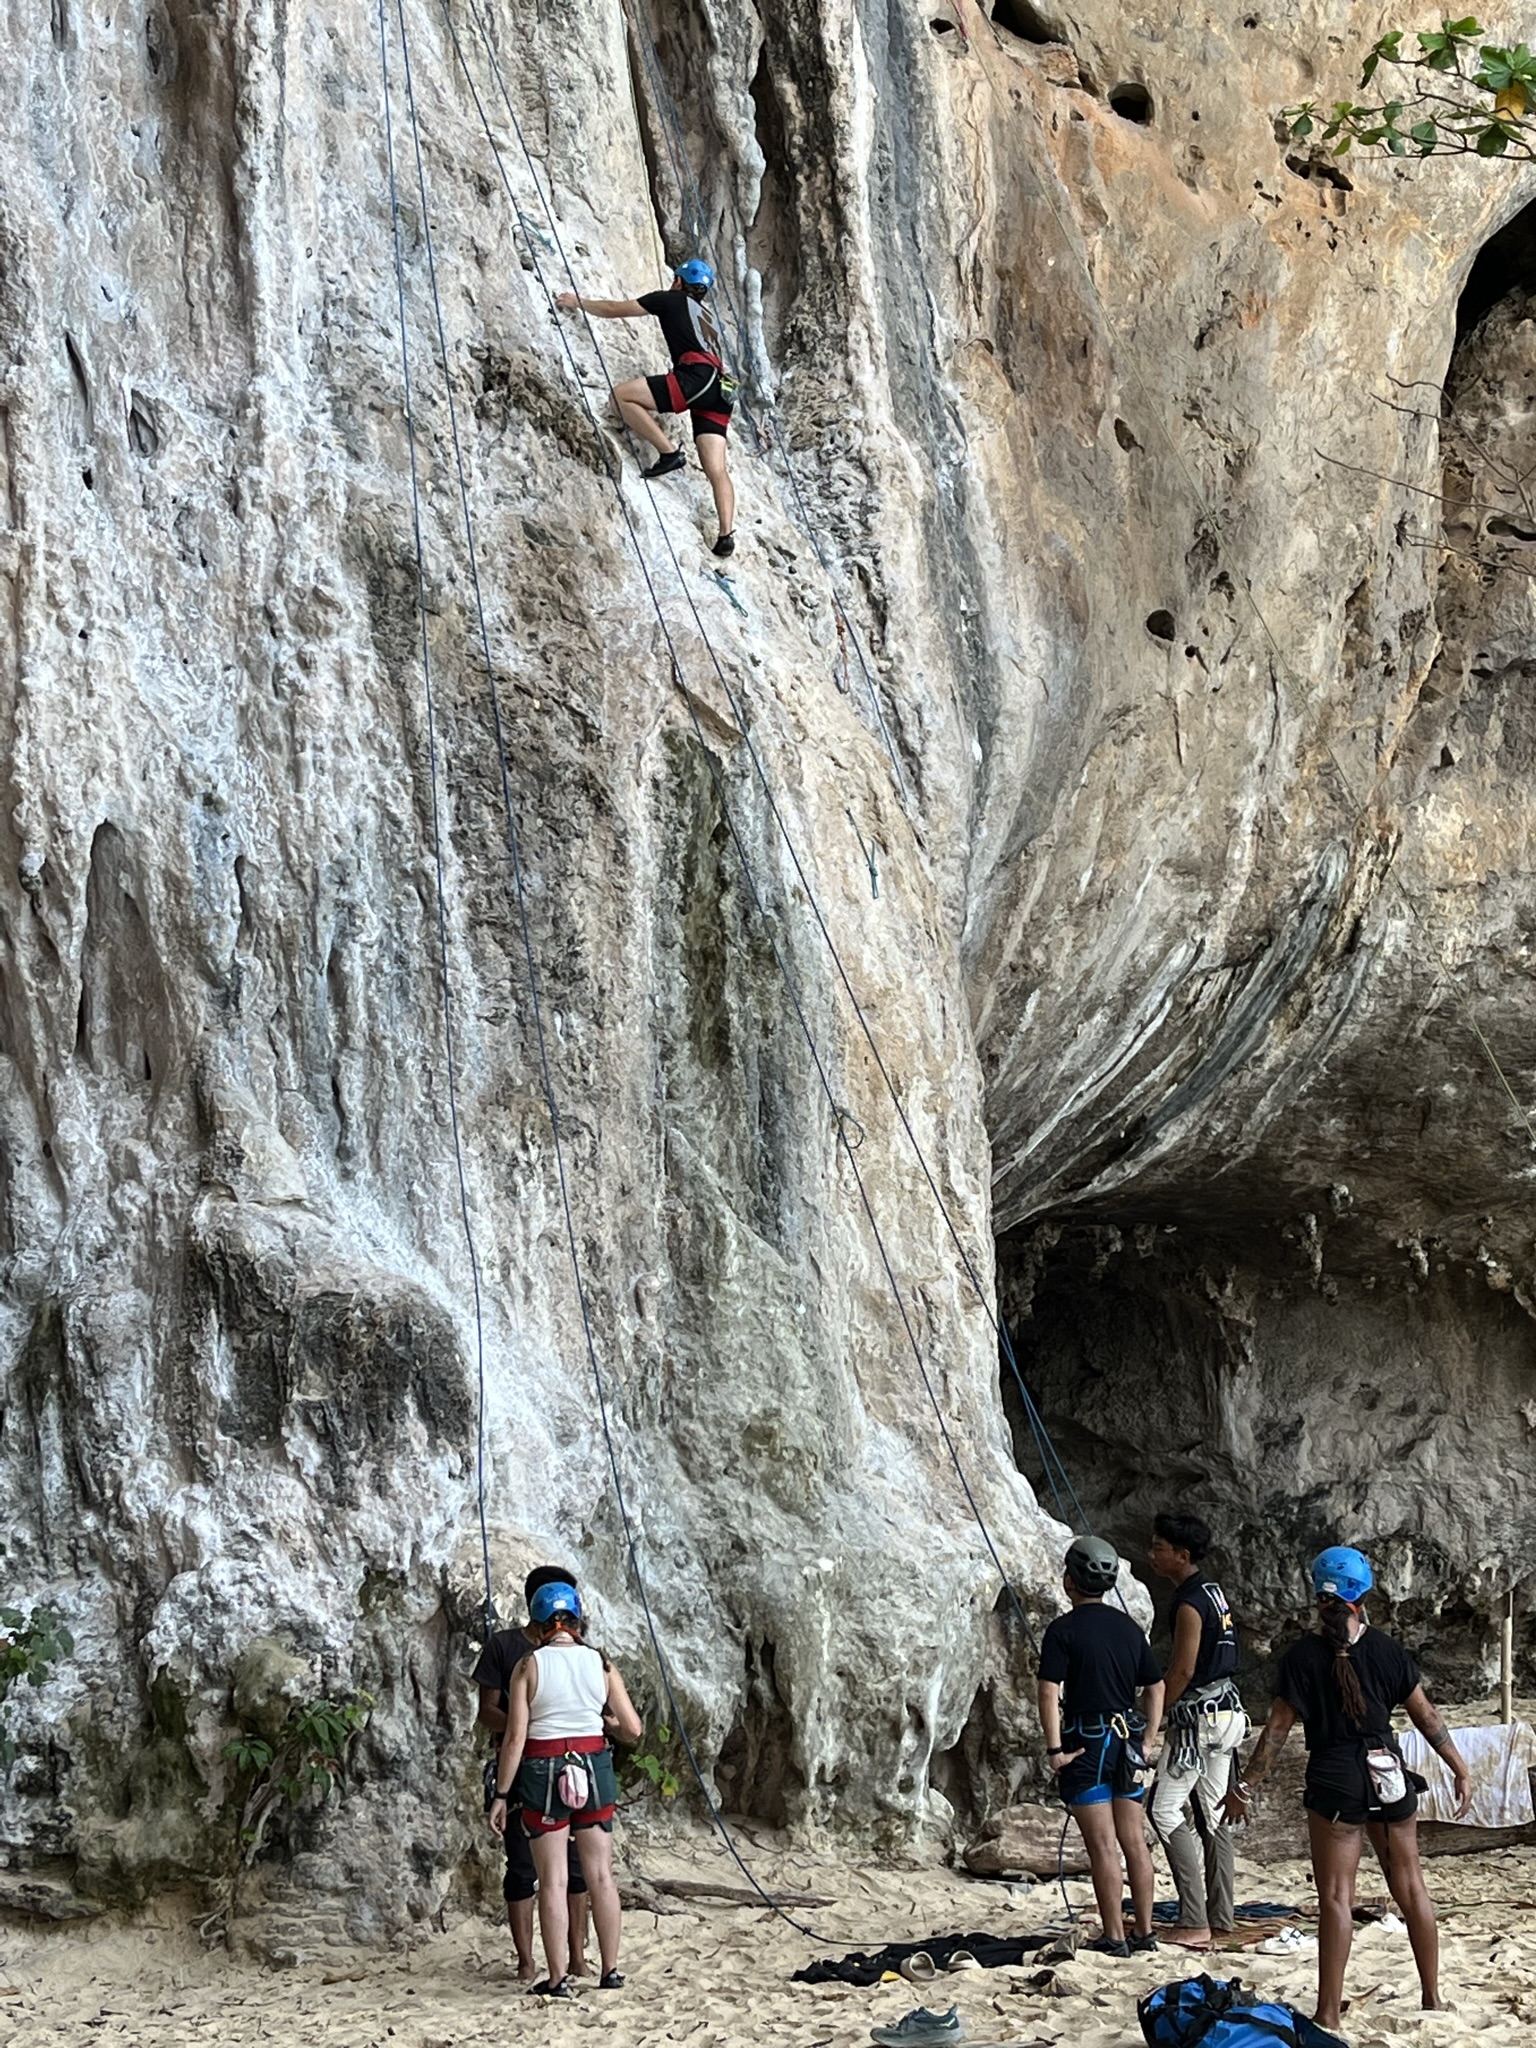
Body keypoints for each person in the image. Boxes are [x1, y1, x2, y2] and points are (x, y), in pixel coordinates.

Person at [1223, 1545, 1472, 2034]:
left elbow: (1275, 1732)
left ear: (1319, 1596)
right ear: (1364, 1596)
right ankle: (1432, 1995)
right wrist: (1458, 1767)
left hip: (1335, 1776)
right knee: (1411, 1886)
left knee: (1337, 1897)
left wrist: (1245, 1786)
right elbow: (1427, 1717)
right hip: (1387, 1770)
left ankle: (1329, 2012)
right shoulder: (1388, 1650)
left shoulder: (1300, 1658)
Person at [490, 1579, 643, 1998]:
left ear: (539, 1625)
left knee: (553, 1879)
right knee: (600, 1875)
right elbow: (632, 1728)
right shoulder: (601, 1662)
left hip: (542, 1771)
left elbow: (515, 1737)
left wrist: (502, 1796)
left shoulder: (528, 1665)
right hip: (594, 1766)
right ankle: (610, 1971)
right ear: (576, 1620)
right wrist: (606, 1724)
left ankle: (557, 1979)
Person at [554, 260, 737, 557]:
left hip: (695, 378)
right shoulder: (710, 317)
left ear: (679, 281)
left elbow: (615, 309)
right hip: (720, 390)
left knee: (620, 398)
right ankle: (726, 534)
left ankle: (669, 452)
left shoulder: (669, 299)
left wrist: (578, 302)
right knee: (717, 468)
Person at [1037, 1535, 1165, 1957]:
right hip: (1127, 1741)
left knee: (1103, 1846)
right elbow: (1155, 1685)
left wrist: (1055, 1750)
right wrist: (1147, 1738)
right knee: (1133, 1840)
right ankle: (1145, 1932)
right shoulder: (1129, 1628)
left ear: (1069, 1580)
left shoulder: (1062, 1631)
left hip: (1087, 1741)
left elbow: (1048, 1692)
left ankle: (1115, 1937)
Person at [472, 1566, 594, 1983]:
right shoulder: (504, 1647)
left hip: (570, 1767)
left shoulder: (576, 1649)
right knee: (522, 1866)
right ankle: (526, 1960)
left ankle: (576, 1956)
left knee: (576, 1867)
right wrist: (523, 1727)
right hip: (521, 1766)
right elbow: (487, 1710)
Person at [1147, 1510, 1245, 1949]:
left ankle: (1193, 1918)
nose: (1152, 1554)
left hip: (1199, 1721)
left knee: (1164, 1810)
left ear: (1181, 1555)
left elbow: (1183, 1669)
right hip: (1228, 1714)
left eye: (1159, 1548)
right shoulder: (1214, 1591)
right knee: (1213, 1814)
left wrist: (1153, 1716)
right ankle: (1221, 1915)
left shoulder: (1188, 1603)